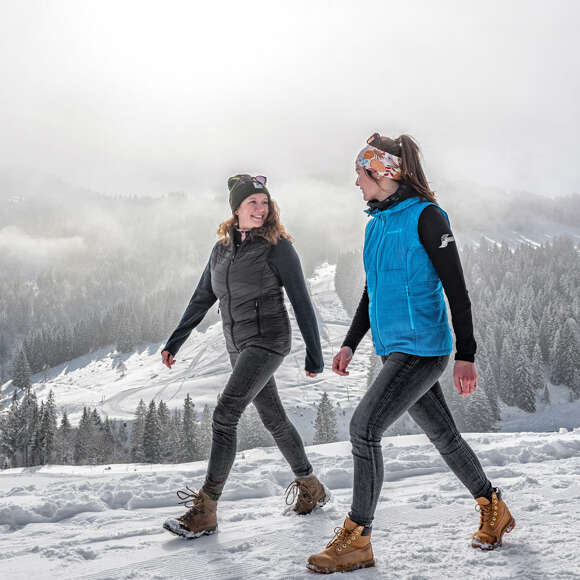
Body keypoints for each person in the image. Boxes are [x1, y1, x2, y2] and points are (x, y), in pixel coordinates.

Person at [307, 134, 515, 573]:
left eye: (359, 175)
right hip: (394, 350)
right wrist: (350, 341)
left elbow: (457, 289)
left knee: (364, 429)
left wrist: (466, 353)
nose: (356, 185)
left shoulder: (427, 217)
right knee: (444, 436)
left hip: (423, 349)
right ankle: (494, 507)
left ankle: (358, 536)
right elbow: (372, 291)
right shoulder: (376, 225)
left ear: (381, 173)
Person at [161, 174, 329, 539]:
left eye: (265, 203)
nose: (260, 208)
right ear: (236, 208)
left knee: (225, 414)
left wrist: (314, 355)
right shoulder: (221, 249)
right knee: (274, 419)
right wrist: (175, 342)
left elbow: (301, 300)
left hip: (268, 339)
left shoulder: (277, 246)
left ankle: (206, 509)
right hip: (236, 344)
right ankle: (310, 486)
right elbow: (202, 297)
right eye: (253, 202)